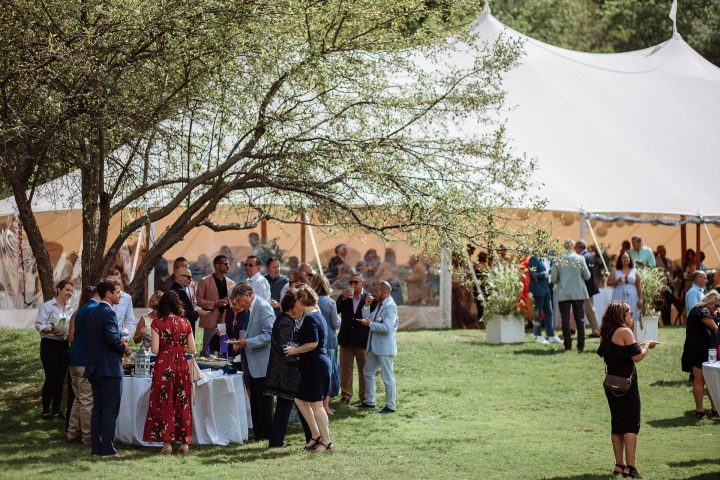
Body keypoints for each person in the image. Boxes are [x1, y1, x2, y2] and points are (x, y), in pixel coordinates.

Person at [597, 301, 656, 479]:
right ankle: (631, 467)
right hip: (626, 385)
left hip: (611, 384)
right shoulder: (624, 331)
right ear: (621, 316)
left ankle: (619, 464)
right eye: (629, 313)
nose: (632, 316)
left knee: (617, 423)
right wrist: (647, 346)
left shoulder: (607, 331)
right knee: (631, 424)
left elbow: (613, 351)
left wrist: (636, 344)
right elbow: (637, 356)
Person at [143, 290, 196, 454]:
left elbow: (154, 349)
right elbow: (192, 349)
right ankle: (184, 443)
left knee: (164, 402)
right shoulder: (185, 322)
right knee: (182, 401)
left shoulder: (157, 324)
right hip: (180, 363)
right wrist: (178, 348)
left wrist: (168, 348)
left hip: (163, 364)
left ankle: (167, 444)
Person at [283, 285, 332, 451]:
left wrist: (294, 350)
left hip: (315, 365)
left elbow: (313, 343)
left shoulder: (311, 318)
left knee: (317, 405)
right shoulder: (315, 315)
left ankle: (326, 441)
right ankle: (316, 435)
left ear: (302, 300)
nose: (295, 304)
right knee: (300, 399)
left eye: (296, 300)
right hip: (314, 364)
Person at [84, 280, 129, 458]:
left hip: (95, 367)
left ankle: (96, 449)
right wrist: (123, 345)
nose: (120, 295)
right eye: (117, 292)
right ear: (108, 294)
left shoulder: (92, 313)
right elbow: (111, 339)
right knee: (110, 410)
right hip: (109, 369)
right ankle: (108, 450)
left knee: (98, 410)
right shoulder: (108, 313)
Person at [228, 282, 275, 440]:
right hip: (251, 360)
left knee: (264, 400)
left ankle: (267, 432)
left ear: (248, 294)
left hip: (262, 361)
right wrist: (240, 342)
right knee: (255, 398)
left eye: (239, 300)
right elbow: (247, 331)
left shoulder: (263, 307)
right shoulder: (249, 309)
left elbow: (269, 334)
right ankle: (258, 432)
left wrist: (247, 342)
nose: (238, 304)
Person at [264, 288, 305, 448]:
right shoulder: (286, 321)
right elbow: (287, 348)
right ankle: (277, 441)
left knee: (286, 405)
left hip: (285, 370)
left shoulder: (287, 319)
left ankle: (277, 440)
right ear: (292, 305)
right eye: (300, 302)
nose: (302, 306)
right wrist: (303, 352)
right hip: (285, 371)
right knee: (286, 406)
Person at [35, 280, 75, 420]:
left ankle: (57, 410)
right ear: (58, 289)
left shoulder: (70, 309)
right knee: (51, 378)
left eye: (71, 291)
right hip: (49, 344)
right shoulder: (47, 306)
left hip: (64, 345)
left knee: (60, 379)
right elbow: (39, 325)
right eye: (67, 290)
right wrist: (51, 330)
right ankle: (46, 411)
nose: (69, 293)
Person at [358, 281, 398, 413]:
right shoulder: (380, 304)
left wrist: (370, 324)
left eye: (376, 291)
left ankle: (391, 406)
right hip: (374, 347)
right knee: (367, 372)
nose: (373, 293)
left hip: (385, 348)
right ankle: (370, 401)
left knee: (387, 377)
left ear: (384, 292)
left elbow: (387, 328)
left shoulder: (390, 306)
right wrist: (366, 306)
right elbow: (369, 318)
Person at [66, 286, 99, 444]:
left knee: (78, 399)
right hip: (85, 360)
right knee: (86, 400)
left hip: (74, 359)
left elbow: (71, 336)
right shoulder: (94, 310)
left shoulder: (78, 312)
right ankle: (87, 437)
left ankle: (72, 433)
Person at [336, 272, 374, 404]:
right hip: (346, 338)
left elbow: (372, 317)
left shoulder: (369, 298)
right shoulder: (345, 297)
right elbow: (336, 310)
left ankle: (364, 396)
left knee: (364, 369)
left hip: (362, 339)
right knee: (345, 368)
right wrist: (342, 298)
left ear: (362, 283)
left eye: (355, 282)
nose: (352, 285)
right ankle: (346, 395)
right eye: (350, 282)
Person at [681, 291, 720, 420]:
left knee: (711, 381)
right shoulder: (702, 312)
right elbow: (716, 329)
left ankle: (715, 408)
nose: (717, 308)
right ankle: (700, 411)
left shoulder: (699, 310)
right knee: (701, 380)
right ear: (710, 302)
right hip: (699, 350)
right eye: (716, 306)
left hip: (704, 349)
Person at [551, 240, 591, 352]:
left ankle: (567, 345)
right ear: (574, 246)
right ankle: (581, 345)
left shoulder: (558, 259)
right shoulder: (580, 258)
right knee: (580, 319)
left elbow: (553, 278)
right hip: (578, 292)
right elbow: (587, 276)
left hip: (564, 292)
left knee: (565, 320)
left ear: (564, 246)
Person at [310, 274, 340, 415]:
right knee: (328, 372)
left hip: (315, 340)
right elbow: (335, 323)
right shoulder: (330, 302)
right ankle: (326, 406)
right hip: (330, 341)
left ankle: (316, 404)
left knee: (316, 373)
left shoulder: (310, 301)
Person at [196, 255, 236, 356]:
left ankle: (222, 367)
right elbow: (198, 300)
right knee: (207, 348)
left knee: (223, 347)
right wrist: (215, 303)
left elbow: (235, 301)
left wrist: (229, 302)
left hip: (225, 319)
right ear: (217, 265)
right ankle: (206, 369)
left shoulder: (231, 283)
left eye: (229, 264)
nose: (228, 266)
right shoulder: (204, 281)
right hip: (211, 318)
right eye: (225, 264)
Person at [528, 255, 561, 345]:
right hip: (538, 289)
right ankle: (538, 335)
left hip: (547, 289)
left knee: (549, 313)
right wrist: (545, 274)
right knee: (537, 313)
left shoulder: (548, 258)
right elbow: (532, 273)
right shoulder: (534, 258)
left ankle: (551, 335)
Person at [608, 252, 643, 330]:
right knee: (618, 317)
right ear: (620, 259)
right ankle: (619, 339)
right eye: (623, 258)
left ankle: (631, 339)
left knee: (631, 317)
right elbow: (608, 283)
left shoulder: (635, 271)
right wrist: (618, 280)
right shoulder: (615, 270)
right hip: (618, 295)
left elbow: (638, 286)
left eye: (627, 257)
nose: (625, 259)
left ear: (630, 259)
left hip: (632, 297)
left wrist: (640, 299)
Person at [575, 240, 601, 336]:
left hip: (586, 287)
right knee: (587, 309)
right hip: (590, 286)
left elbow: (582, 274)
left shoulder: (583, 257)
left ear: (578, 247)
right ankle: (572, 328)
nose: (575, 250)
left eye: (575, 247)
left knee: (589, 309)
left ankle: (596, 331)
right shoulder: (590, 255)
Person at [170, 266, 199, 336]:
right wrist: (198, 313)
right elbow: (185, 314)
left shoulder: (173, 289)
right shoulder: (180, 291)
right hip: (183, 330)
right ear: (179, 277)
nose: (191, 279)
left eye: (191, 277)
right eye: (188, 277)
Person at [106, 270, 136, 335]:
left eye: (118, 280)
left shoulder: (126, 298)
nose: (116, 283)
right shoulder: (101, 298)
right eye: (112, 281)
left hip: (120, 339)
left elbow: (130, 322)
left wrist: (125, 337)